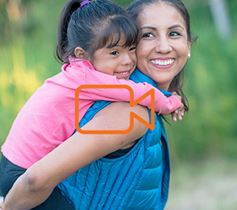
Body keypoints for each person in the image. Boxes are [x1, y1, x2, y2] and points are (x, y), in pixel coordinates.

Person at [0, 0, 193, 209]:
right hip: (20, 171)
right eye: (147, 35)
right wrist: (170, 102)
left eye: (174, 33)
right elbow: (34, 180)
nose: (164, 47)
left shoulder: (106, 87)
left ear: (189, 44)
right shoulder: (129, 111)